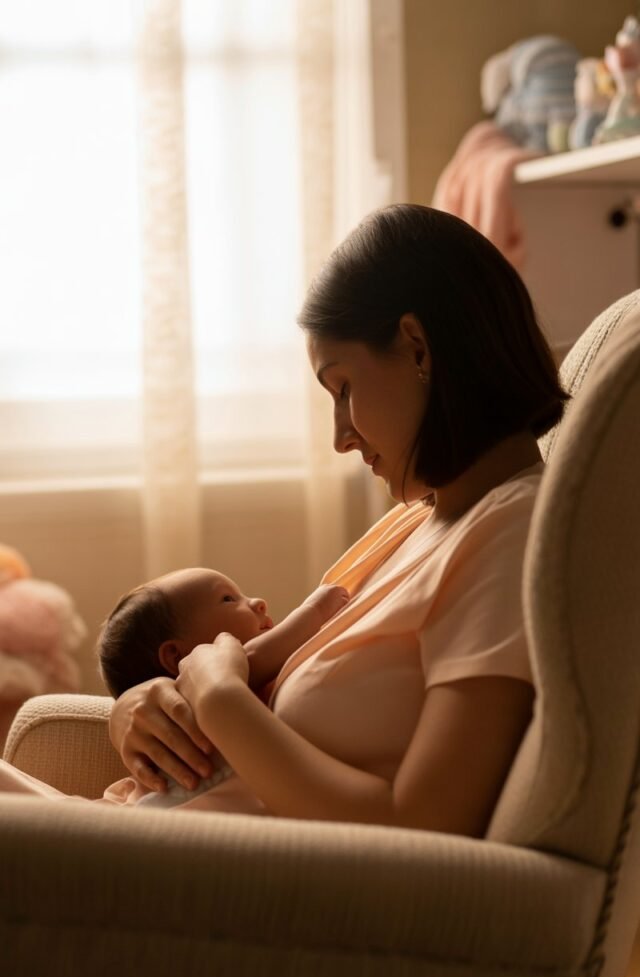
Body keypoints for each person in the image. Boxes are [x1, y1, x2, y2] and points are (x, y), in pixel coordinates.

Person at [1, 205, 568, 833]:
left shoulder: (509, 531)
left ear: (417, 348)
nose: (340, 438)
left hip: (257, 877)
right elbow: (263, 677)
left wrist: (219, 698)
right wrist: (140, 706)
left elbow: (428, 823)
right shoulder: (419, 522)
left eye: (343, 388)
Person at [96, 569, 348, 807]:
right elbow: (256, 654)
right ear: (175, 656)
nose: (258, 602)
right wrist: (314, 610)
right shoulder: (197, 688)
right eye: (228, 599)